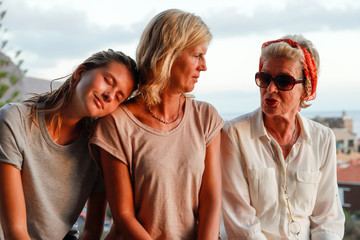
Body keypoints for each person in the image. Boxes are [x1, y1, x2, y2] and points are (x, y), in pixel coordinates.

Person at [90, 9, 224, 240]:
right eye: (197, 55)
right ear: (168, 54)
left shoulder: (206, 117)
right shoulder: (116, 123)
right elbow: (123, 214)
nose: (203, 66)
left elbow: (211, 200)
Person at [0, 49, 138, 240]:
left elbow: (91, 231)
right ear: (80, 73)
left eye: (119, 96)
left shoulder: (99, 147)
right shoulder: (14, 121)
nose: (109, 95)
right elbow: (15, 231)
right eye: (108, 80)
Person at [221, 35, 345, 239]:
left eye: (284, 81)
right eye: (264, 78)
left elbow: (328, 218)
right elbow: (240, 221)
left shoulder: (323, 138)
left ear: (306, 89)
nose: (270, 89)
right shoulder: (233, 134)